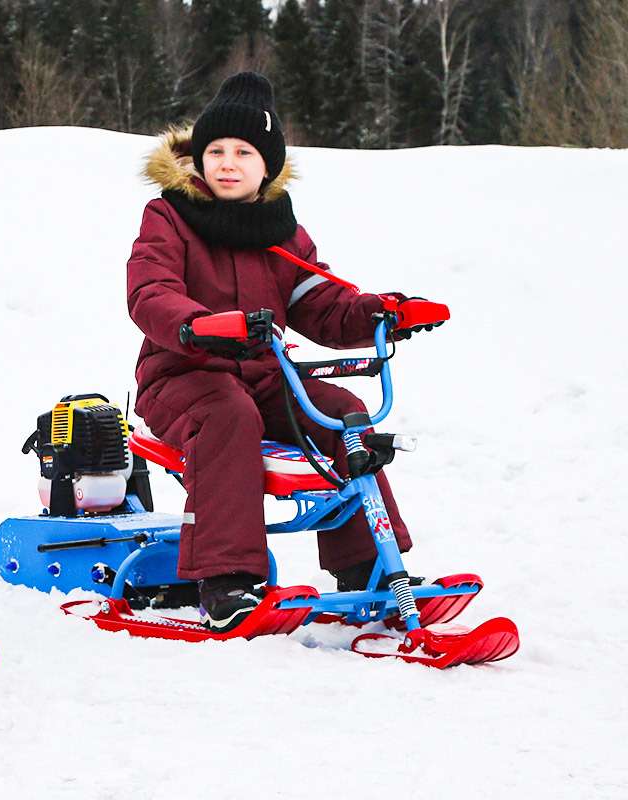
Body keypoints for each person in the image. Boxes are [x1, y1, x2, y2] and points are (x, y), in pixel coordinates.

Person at [126, 72, 437, 633]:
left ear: (267, 165)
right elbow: (150, 290)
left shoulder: (281, 232)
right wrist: (199, 325)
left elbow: (321, 301)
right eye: (215, 150)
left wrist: (381, 312)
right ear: (196, 158)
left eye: (244, 152)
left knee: (343, 413)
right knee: (227, 415)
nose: (227, 162)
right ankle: (228, 581)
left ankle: (370, 568)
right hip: (183, 375)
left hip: (268, 378)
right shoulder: (170, 217)